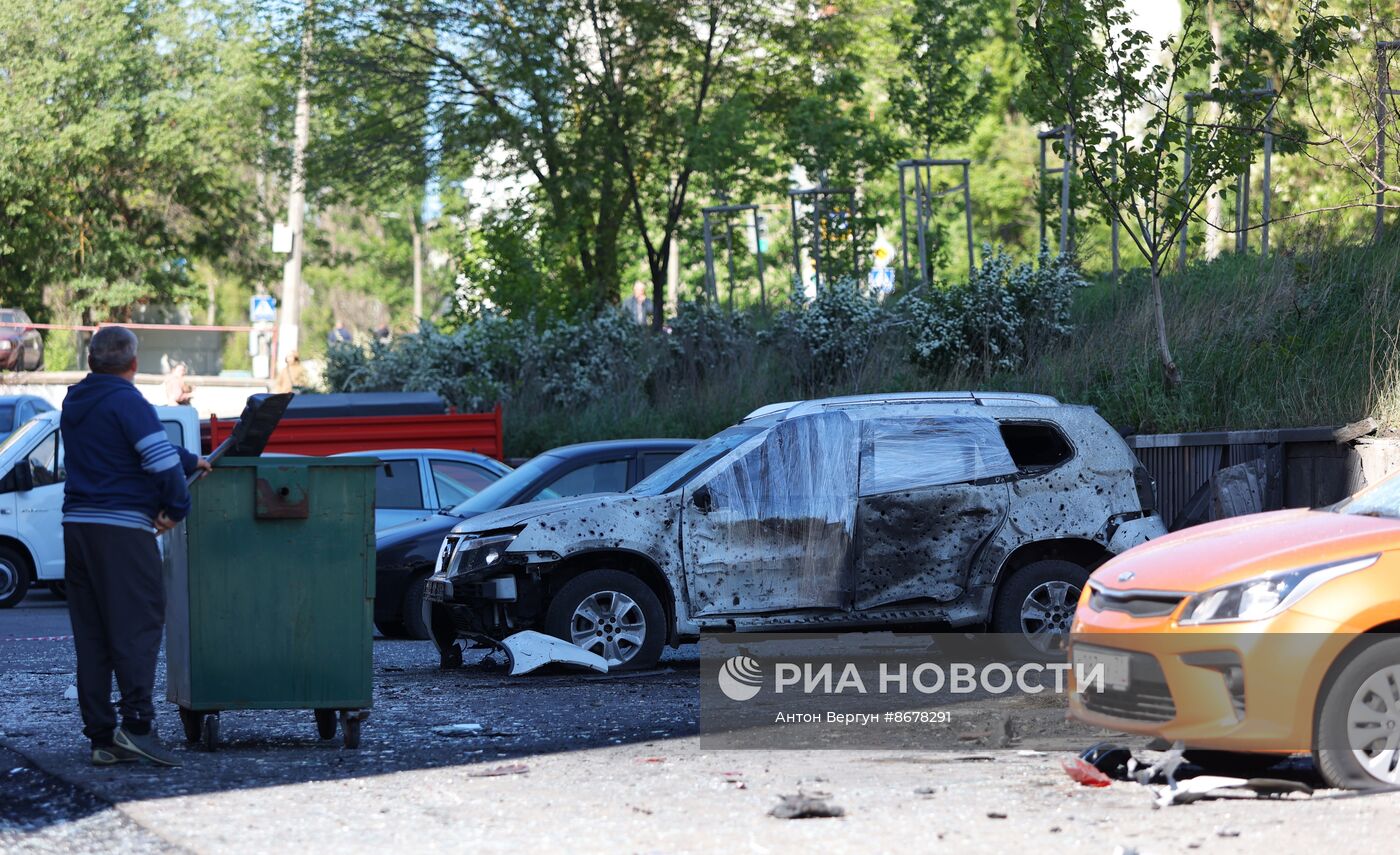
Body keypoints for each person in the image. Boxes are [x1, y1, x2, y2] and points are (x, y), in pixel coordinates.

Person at [62, 326, 210, 767]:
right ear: (132, 363)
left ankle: (102, 738)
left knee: (93, 637)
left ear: (92, 362)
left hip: (78, 528)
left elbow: (119, 449)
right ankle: (139, 727)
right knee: (138, 625)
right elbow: (159, 462)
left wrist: (190, 459)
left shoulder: (77, 400)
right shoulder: (128, 401)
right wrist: (175, 508)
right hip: (123, 532)